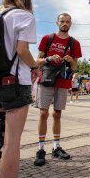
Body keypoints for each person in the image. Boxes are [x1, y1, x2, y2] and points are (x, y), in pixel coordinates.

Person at [0, 0, 39, 177]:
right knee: (12, 142)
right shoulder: (24, 16)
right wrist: (34, 66)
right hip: (14, 83)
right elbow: (22, 50)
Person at [33, 13, 82, 166]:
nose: (65, 24)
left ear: (71, 24)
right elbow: (37, 61)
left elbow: (74, 67)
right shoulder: (47, 39)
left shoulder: (74, 43)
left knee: (57, 114)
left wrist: (70, 60)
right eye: (62, 21)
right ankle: (41, 149)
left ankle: (56, 147)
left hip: (63, 81)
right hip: (46, 80)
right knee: (43, 112)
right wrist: (48, 58)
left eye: (67, 22)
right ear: (57, 22)